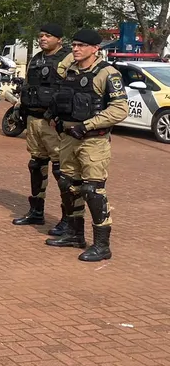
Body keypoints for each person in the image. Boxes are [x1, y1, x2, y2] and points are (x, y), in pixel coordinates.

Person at [46, 29, 128, 261]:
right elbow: (61, 87)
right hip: (68, 139)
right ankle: (74, 234)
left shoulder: (107, 74)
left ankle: (102, 245)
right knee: (68, 185)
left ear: (95, 49)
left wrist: (89, 125)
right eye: (73, 45)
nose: (75, 49)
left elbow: (120, 109)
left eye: (81, 45)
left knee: (93, 191)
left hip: (93, 141)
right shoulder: (70, 70)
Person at [12, 24, 73, 235]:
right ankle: (36, 211)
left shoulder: (69, 59)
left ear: (59, 39)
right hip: (34, 119)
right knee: (36, 165)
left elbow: (70, 91)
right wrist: (20, 108)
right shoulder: (36, 58)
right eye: (41, 36)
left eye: (48, 35)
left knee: (61, 170)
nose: (43, 39)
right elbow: (29, 85)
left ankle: (68, 219)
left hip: (53, 123)